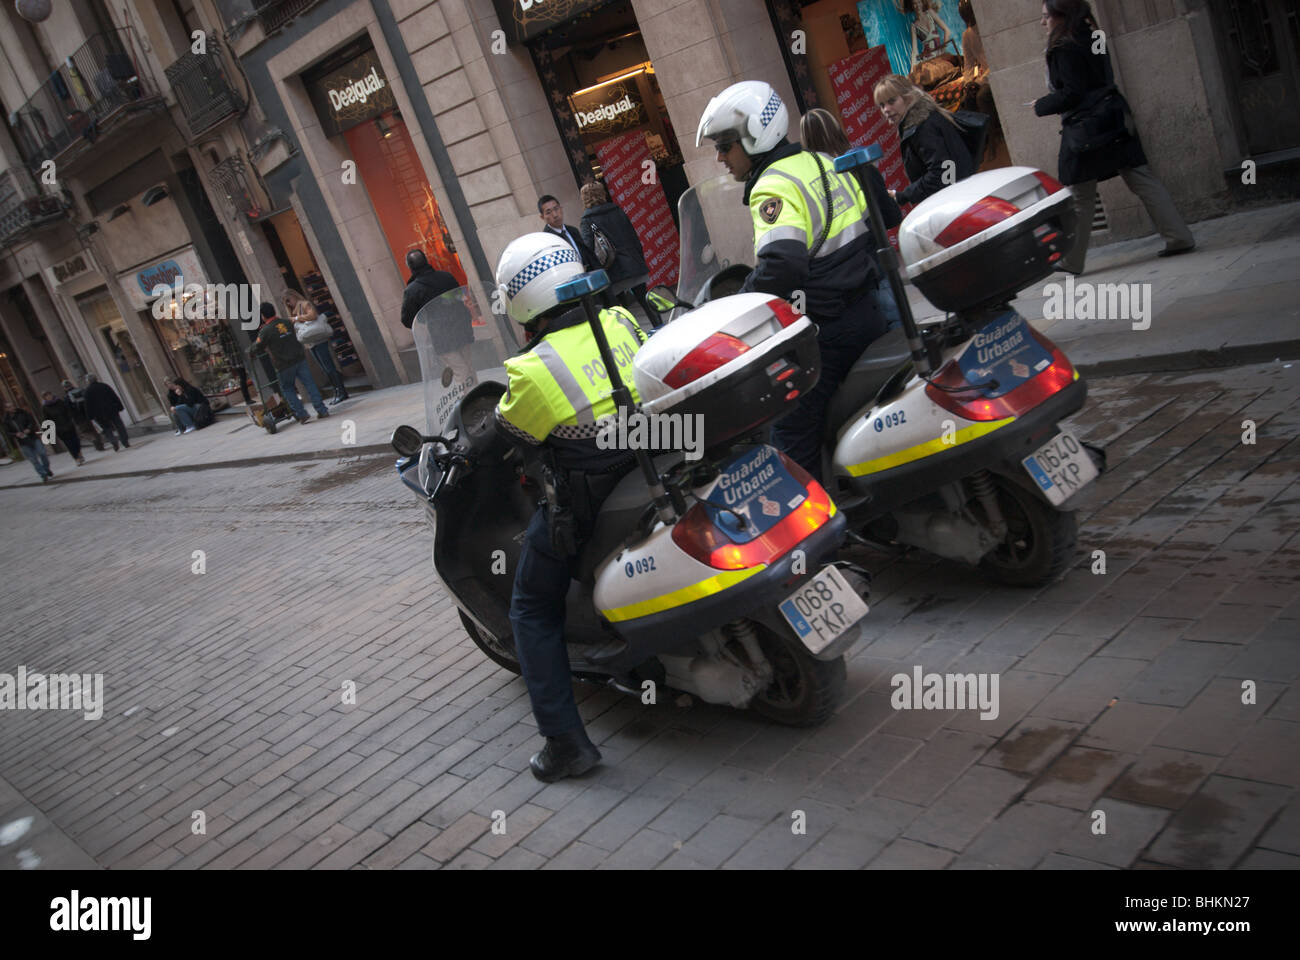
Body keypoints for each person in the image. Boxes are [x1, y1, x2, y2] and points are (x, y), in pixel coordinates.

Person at [493, 232, 647, 782]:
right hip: (651, 470)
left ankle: (565, 742)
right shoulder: (621, 322)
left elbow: (509, 434)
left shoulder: (532, 370)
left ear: (520, 300)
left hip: (586, 501)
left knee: (530, 609)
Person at [697, 80, 884, 482]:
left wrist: (738, 308)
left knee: (789, 429)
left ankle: (817, 537)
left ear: (754, 138)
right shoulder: (821, 163)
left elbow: (783, 263)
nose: (719, 158)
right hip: (870, 308)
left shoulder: (773, 184)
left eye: (725, 146)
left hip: (828, 330)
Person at [1034, 0, 1194, 272]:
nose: (1043, 22)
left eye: (1046, 16)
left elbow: (1073, 92)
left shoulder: (1064, 47)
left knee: (1080, 194)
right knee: (1141, 177)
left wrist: (1041, 105)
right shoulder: (1094, 36)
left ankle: (1072, 260)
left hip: (1087, 126)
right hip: (1113, 116)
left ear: (1061, 16)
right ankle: (1179, 236)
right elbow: (1100, 78)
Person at [799, 107, 904, 332]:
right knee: (898, 328)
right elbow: (891, 215)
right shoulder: (859, 165)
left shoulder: (811, 184)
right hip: (876, 262)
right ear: (837, 128)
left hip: (844, 280)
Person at [875, 74, 974, 207]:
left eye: (891, 101)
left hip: (955, 203)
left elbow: (942, 173)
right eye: (882, 105)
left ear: (908, 98)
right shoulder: (922, 121)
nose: (886, 109)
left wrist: (902, 195)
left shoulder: (923, 127)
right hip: (958, 198)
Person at [578, 181, 656, 323]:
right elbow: (633, 237)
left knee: (621, 310)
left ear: (584, 198)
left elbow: (589, 249)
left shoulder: (586, 220)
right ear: (602, 193)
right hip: (633, 263)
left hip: (612, 270)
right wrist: (638, 258)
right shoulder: (617, 210)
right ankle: (659, 326)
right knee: (645, 301)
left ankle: (635, 336)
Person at [399, 249, 475, 384]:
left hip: (441, 335)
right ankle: (479, 397)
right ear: (426, 260)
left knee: (461, 370)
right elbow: (459, 297)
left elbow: (407, 320)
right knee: (467, 366)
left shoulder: (412, 290)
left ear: (410, 267)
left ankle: (472, 401)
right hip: (461, 328)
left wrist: (425, 319)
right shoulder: (446, 277)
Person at [251, 302, 329, 424]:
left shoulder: (265, 331)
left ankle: (302, 414)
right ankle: (322, 410)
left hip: (284, 364)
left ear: (263, 316)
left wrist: (251, 351)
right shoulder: (287, 322)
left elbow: (257, 347)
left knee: (288, 388)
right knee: (310, 384)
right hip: (299, 358)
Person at [285, 289, 349, 404]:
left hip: (318, 340)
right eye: (286, 302)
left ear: (293, 296)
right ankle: (338, 390)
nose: (288, 303)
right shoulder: (295, 310)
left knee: (329, 367)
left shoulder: (304, 304)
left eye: (288, 300)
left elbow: (313, 315)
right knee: (325, 368)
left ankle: (341, 392)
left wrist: (295, 318)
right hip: (311, 342)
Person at [537, 195, 598, 271]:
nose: (555, 215)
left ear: (561, 208)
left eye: (556, 209)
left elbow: (587, 255)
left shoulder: (573, 231)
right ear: (542, 217)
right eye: (548, 212)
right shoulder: (547, 240)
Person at [2, 400, 54, 482]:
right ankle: (43, 474)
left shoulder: (22, 413)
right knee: (33, 459)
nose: (12, 408)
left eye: (12, 406)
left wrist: (29, 429)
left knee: (42, 453)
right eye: (9, 407)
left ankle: (46, 469)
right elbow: (7, 433)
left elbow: (32, 421)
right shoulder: (6, 420)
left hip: (32, 437)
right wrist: (16, 434)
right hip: (23, 442)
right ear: (6, 409)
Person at [83, 373, 130, 450]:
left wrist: (90, 416)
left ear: (88, 381)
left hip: (99, 414)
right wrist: (119, 406)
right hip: (112, 409)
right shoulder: (104, 386)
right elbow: (114, 396)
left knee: (107, 428)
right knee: (119, 425)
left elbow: (88, 405)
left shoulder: (88, 391)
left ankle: (113, 441)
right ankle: (125, 441)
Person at [40, 390, 84, 465]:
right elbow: (46, 420)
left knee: (76, 440)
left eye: (49, 395)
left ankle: (79, 452)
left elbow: (68, 411)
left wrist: (71, 420)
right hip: (59, 429)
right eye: (46, 396)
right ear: (44, 398)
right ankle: (76, 458)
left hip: (69, 425)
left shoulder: (59, 402)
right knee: (69, 444)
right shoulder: (45, 408)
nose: (49, 397)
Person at [62, 378, 105, 452]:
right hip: (88, 414)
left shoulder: (67, 397)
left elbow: (68, 409)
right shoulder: (81, 391)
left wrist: (71, 418)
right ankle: (100, 444)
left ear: (64, 388)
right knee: (93, 429)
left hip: (78, 418)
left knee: (84, 432)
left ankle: (93, 440)